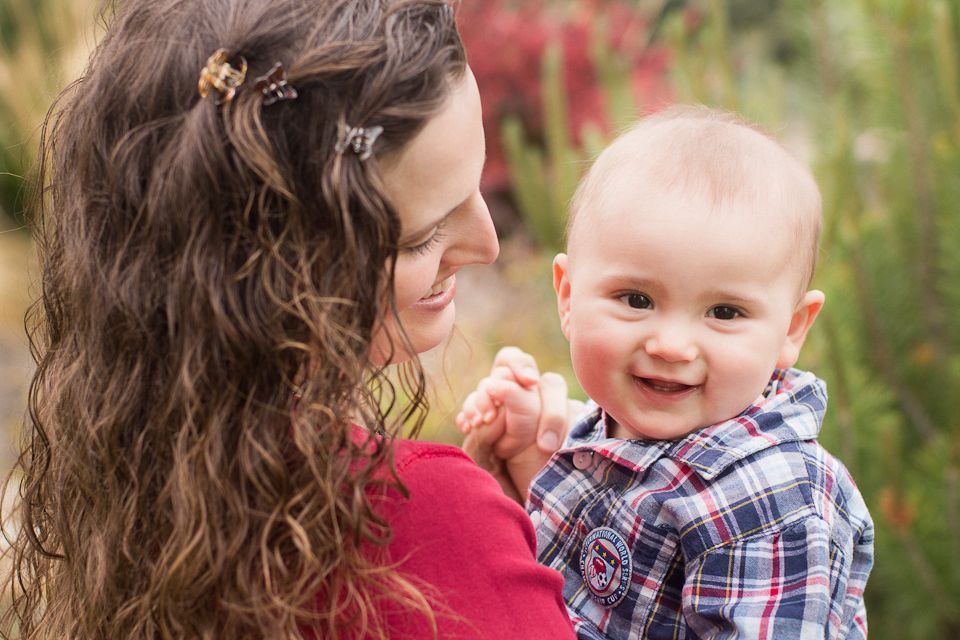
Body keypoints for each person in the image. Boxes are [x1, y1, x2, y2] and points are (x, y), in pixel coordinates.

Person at [0, 1, 575, 638]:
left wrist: (500, 540)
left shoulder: (144, 496)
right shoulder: (412, 521)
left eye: (476, 191)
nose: (488, 245)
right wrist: (479, 540)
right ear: (276, 260)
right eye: (420, 237)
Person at [458, 106, 874, 639]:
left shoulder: (771, 499)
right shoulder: (617, 428)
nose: (672, 345)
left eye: (724, 312)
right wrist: (529, 455)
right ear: (568, 296)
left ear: (791, 330)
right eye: (636, 299)